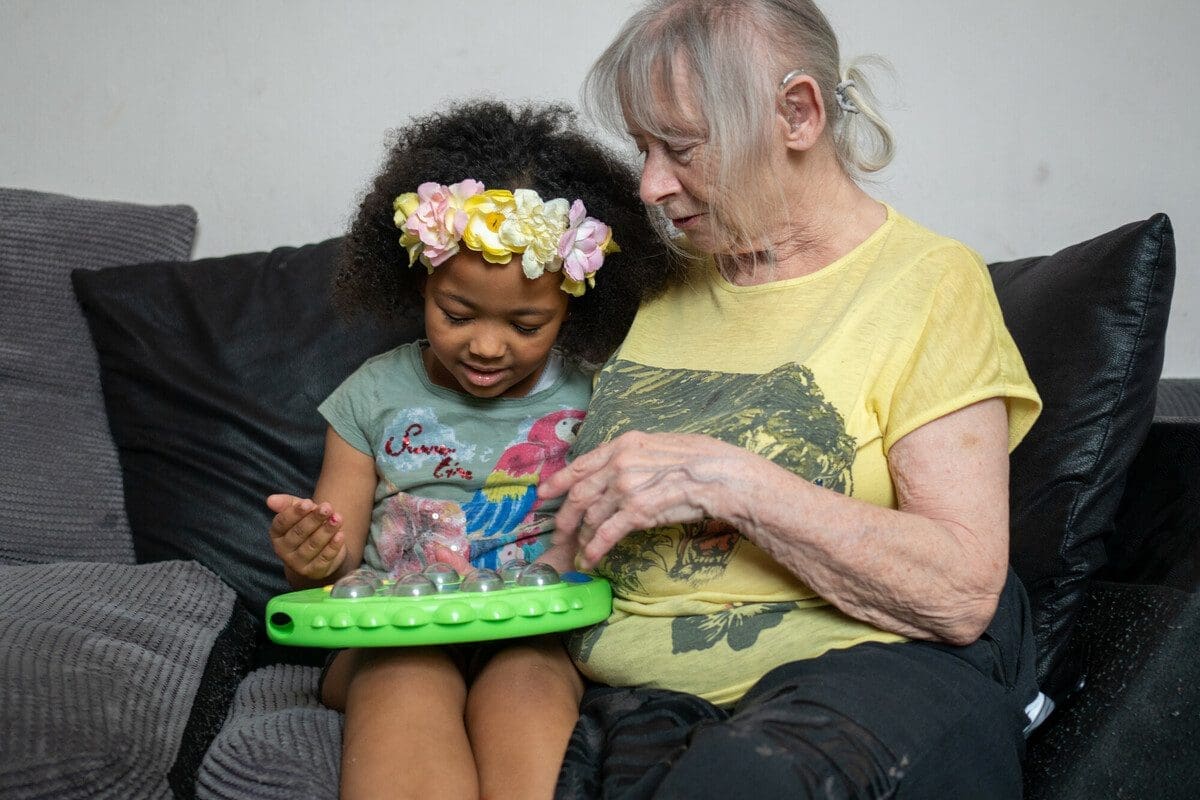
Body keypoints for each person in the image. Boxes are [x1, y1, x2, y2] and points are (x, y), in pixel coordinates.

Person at [538, 2, 1046, 798]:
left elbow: (962, 591)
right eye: (642, 149)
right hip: (635, 693)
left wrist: (726, 481)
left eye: (681, 147)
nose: (650, 184)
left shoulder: (929, 283)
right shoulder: (653, 283)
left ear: (797, 113)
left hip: (850, 676)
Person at [266, 101, 673, 800]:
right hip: (388, 637)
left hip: (533, 634)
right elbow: (330, 564)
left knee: (530, 687)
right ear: (419, 283)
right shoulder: (369, 397)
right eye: (457, 314)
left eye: (526, 322)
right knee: (405, 678)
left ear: (574, 305)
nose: (487, 346)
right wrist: (309, 552)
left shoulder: (597, 400)